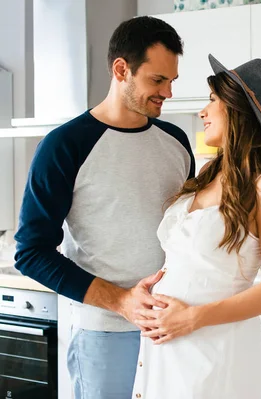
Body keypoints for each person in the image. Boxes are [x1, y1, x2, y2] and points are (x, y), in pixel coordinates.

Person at [12, 16, 195, 399]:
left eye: (172, 81)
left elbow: (187, 232)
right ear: (121, 69)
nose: (168, 93)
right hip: (106, 332)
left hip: (174, 327)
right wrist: (123, 302)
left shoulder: (176, 141)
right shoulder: (65, 145)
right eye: (158, 80)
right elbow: (31, 252)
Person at [129, 54, 261, 398]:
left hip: (215, 347)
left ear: (239, 111)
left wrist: (193, 318)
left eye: (213, 100)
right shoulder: (209, 175)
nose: (202, 111)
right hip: (167, 345)